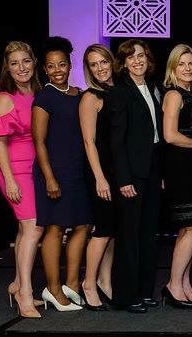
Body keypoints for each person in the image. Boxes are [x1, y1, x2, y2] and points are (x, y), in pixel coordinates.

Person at [0, 40, 39, 318]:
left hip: (37, 168)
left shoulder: (38, 93)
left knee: (28, 229)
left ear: (33, 62)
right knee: (32, 227)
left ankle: (17, 284)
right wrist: (11, 180)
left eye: (25, 61)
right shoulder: (6, 97)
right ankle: (25, 293)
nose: (21, 68)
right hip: (14, 168)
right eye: (14, 63)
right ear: (7, 67)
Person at [31, 36, 90, 312]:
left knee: (82, 225)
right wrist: (50, 177)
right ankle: (52, 289)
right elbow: (39, 141)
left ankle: (72, 284)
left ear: (70, 65)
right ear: (45, 69)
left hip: (78, 171)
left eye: (62, 64)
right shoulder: (45, 96)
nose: (57, 70)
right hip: (54, 171)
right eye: (51, 66)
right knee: (55, 228)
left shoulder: (79, 94)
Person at [107, 39, 164, 314]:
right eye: (131, 57)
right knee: (129, 236)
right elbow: (116, 141)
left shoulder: (153, 88)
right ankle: (126, 296)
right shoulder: (119, 92)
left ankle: (144, 291)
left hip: (152, 169)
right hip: (131, 174)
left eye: (141, 55)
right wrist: (123, 179)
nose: (137, 60)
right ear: (124, 62)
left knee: (148, 234)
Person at [160, 44, 192, 308]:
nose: (187, 69)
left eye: (191, 64)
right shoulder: (175, 94)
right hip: (180, 167)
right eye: (182, 65)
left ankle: (184, 282)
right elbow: (170, 135)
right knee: (190, 228)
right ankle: (173, 284)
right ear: (173, 68)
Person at [77, 43, 119, 310]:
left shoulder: (119, 92)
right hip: (99, 170)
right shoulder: (90, 97)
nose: (100, 68)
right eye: (94, 64)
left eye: (103, 62)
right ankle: (88, 283)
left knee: (113, 230)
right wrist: (100, 178)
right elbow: (88, 141)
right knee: (103, 229)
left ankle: (105, 280)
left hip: (118, 170)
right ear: (88, 69)